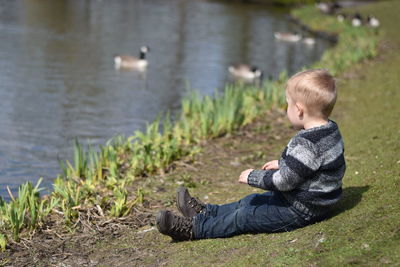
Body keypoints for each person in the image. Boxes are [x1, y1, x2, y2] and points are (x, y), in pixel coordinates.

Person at [156, 69, 346, 241]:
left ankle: (192, 229)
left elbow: (285, 182)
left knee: (244, 216)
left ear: (299, 110)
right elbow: (311, 165)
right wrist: (283, 163)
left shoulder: (307, 143)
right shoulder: (329, 130)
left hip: (302, 210)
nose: (286, 109)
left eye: (287, 104)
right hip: (308, 201)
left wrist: (254, 177)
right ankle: (204, 212)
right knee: (249, 201)